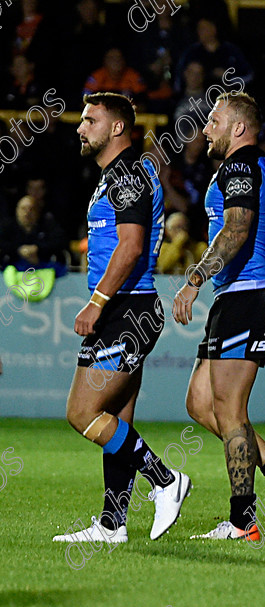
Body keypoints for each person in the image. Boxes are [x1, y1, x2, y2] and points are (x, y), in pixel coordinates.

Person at [172, 92, 265, 541]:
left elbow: (236, 228)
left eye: (213, 121)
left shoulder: (238, 166)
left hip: (247, 298)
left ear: (237, 128)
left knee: (230, 410)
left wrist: (194, 278)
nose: (206, 129)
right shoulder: (253, 165)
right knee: (200, 403)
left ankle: (242, 521)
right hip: (235, 296)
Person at [52, 92, 189, 545]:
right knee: (114, 418)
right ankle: (113, 523)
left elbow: (131, 246)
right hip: (131, 308)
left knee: (82, 412)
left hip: (125, 309)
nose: (80, 126)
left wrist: (97, 300)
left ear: (116, 128)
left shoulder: (127, 173)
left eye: (90, 119)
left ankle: (166, 480)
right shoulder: (120, 173)